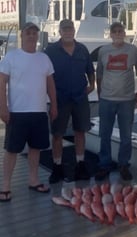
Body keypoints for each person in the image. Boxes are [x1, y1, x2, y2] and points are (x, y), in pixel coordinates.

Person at [0, 22, 57, 202]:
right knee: (11, 150)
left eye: (34, 33)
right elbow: (1, 84)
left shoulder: (44, 58)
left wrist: (53, 105)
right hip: (17, 112)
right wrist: (3, 108)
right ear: (22, 35)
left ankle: (33, 180)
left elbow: (51, 85)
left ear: (37, 36)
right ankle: (6, 186)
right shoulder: (11, 57)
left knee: (36, 148)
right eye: (28, 33)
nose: (31, 36)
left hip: (39, 112)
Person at [45, 19, 95, 183]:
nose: (67, 32)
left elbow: (90, 70)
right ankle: (57, 166)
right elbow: (45, 75)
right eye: (64, 30)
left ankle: (80, 163)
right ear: (60, 32)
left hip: (80, 98)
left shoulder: (82, 49)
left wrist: (92, 85)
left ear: (74, 31)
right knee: (57, 134)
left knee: (80, 132)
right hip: (60, 98)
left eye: (70, 29)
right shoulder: (50, 50)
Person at [95, 22, 137, 181]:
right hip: (106, 99)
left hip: (127, 100)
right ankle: (104, 165)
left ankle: (124, 164)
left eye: (120, 31)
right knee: (105, 134)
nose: (117, 33)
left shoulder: (132, 50)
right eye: (114, 31)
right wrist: (101, 93)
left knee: (126, 136)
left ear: (124, 33)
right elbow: (99, 73)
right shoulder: (103, 50)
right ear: (110, 34)